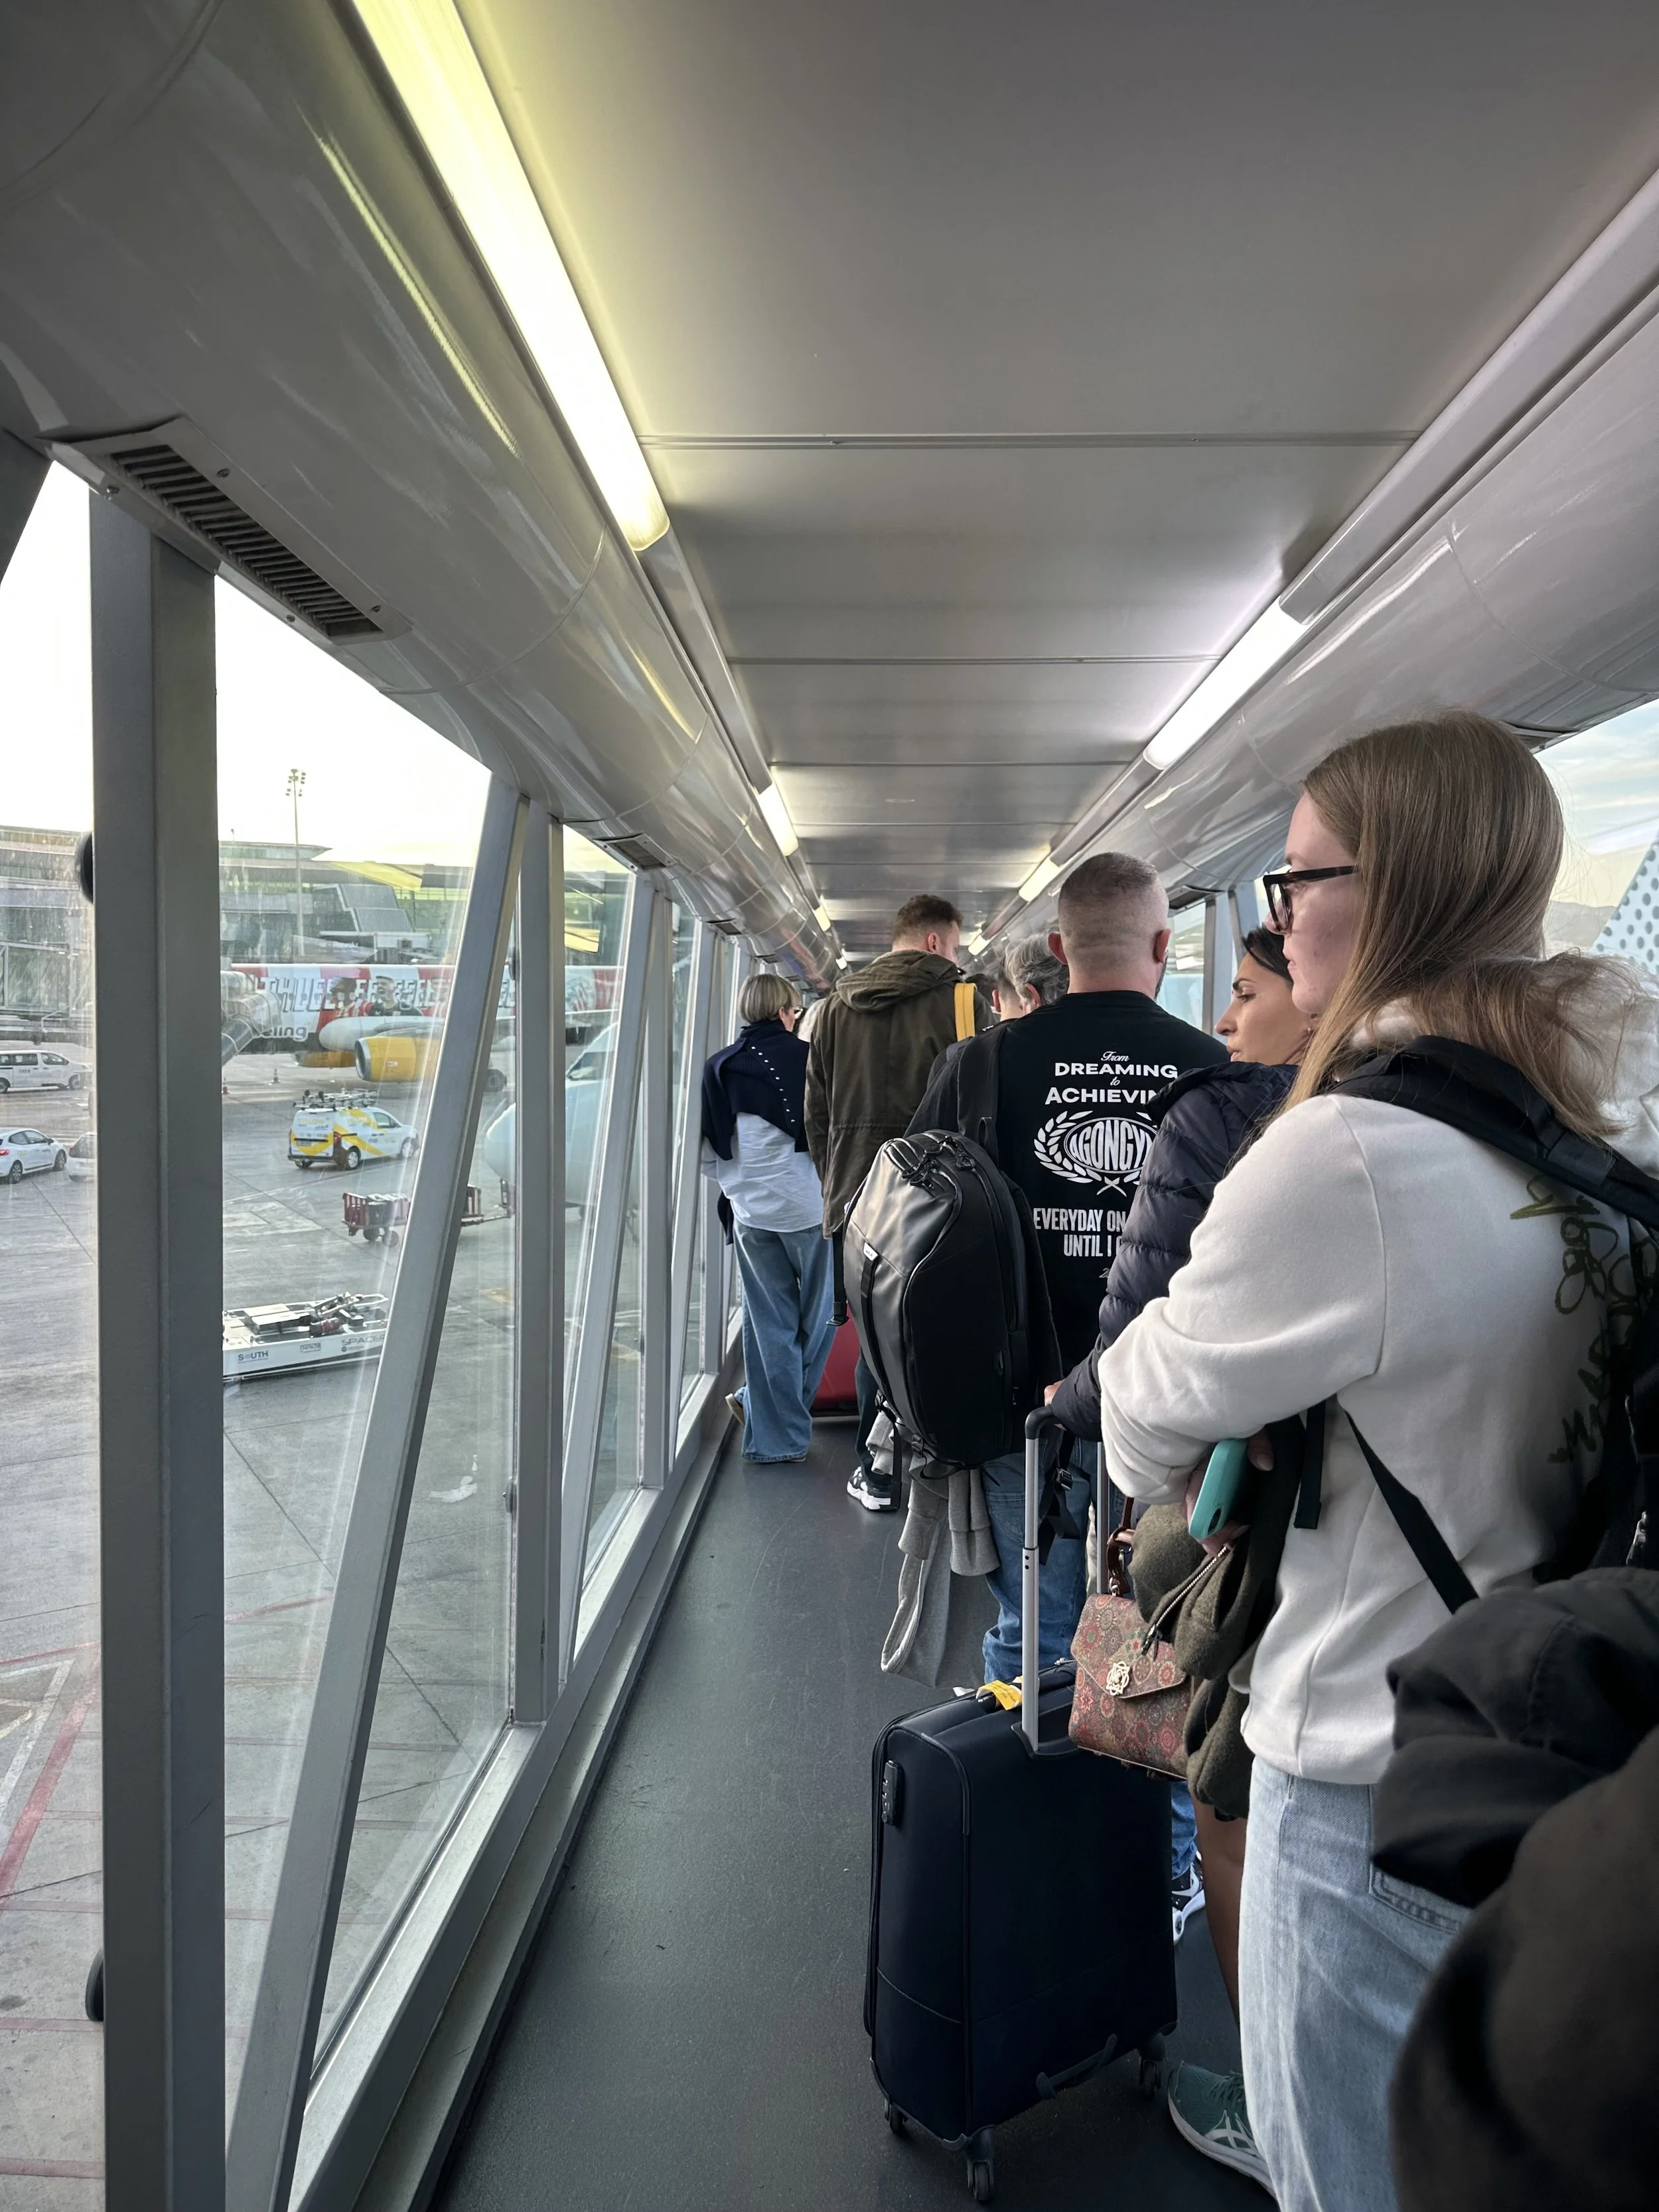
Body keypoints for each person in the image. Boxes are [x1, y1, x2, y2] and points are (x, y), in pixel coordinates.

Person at [1094, 712, 1659, 2212]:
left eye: (1298, 879)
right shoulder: (1607, 1114)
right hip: (1568, 1756)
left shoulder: (1345, 1153)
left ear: (1394, 887)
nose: (1278, 917)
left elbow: (1140, 1420)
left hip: (1365, 1783)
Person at [1048, 922, 1310, 2189]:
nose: (1231, 1018)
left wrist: (1066, 1403)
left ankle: (1275, 2105)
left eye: (1250, 989)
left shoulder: (1228, 1125)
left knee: (1232, 1810)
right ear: (1153, 940)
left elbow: (1138, 1373)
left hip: (1247, 1557)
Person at [910, 851, 1226, 1684]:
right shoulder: (1218, 1071)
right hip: (1169, 1396)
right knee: (1158, 1623)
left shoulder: (977, 1065)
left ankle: (1025, 1758)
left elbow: (911, 1225)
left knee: (1033, 1623)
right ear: (1162, 945)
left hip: (1022, 1394)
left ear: (1058, 945)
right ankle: (1139, 1764)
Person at [805, 894, 991, 1511]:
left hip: (857, 1198)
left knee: (874, 1334)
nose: (957, 957)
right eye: (956, 945)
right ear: (936, 941)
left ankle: (878, 1471)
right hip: (941, 1200)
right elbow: (980, 1109)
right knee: (942, 1329)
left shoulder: (834, 1008)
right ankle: (945, 1465)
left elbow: (816, 1113)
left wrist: (838, 1183)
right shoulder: (963, 1001)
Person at [701, 972, 835, 1463]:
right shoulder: (813, 1060)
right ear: (784, 1012)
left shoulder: (718, 1067)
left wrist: (743, 1189)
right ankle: (768, 1412)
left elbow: (708, 1154)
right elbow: (832, 1138)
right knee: (823, 1318)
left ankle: (777, 1439)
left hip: (751, 1214)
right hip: (811, 1211)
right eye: (795, 1011)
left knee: (769, 1325)